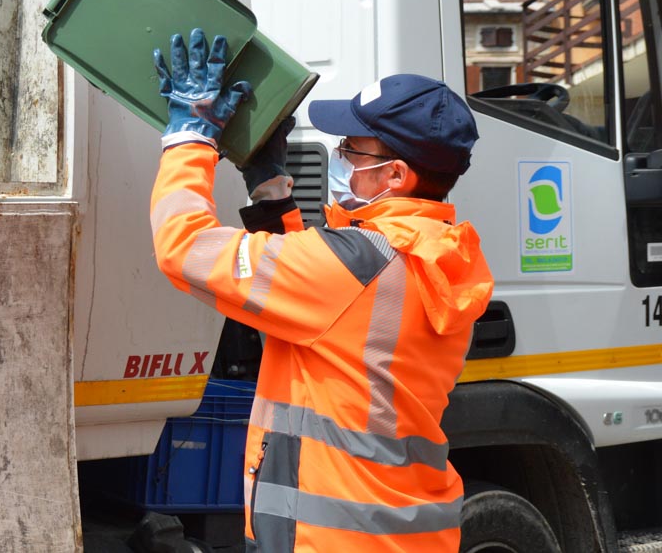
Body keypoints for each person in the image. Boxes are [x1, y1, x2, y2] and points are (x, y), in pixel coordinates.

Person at [150, 29, 493, 553]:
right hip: (407, 533)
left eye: (352, 150)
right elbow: (322, 313)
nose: (341, 157)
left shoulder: (358, 264)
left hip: (328, 540)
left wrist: (188, 139)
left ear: (394, 175)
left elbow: (183, 247)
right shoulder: (438, 256)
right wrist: (271, 196)